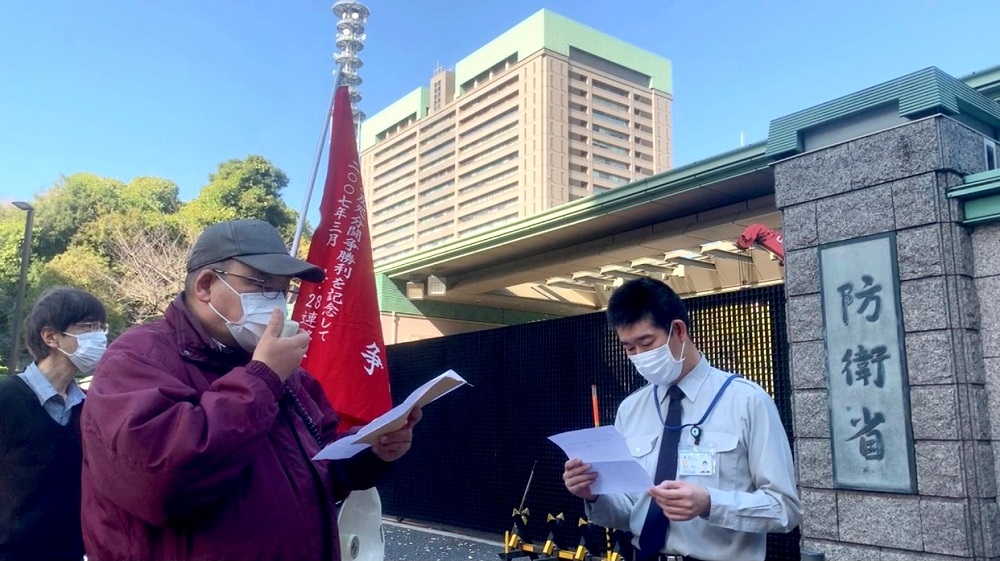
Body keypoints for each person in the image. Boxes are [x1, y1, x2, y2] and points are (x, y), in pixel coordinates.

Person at [80, 219, 421, 561]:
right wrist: (262, 378)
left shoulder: (288, 375)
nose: (277, 303)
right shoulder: (138, 358)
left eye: (284, 291)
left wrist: (373, 450)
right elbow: (160, 481)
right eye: (262, 285)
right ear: (206, 285)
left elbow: (323, 468)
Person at [562, 277, 800, 561]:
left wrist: (710, 503)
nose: (639, 356)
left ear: (678, 330)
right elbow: (631, 511)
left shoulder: (746, 401)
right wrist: (594, 494)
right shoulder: (631, 409)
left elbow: (784, 508)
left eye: (646, 342)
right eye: (629, 348)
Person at [0, 286, 108, 561]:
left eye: (101, 327)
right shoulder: (8, 400)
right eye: (88, 327)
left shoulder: (87, 408)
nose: (100, 337)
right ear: (50, 336)